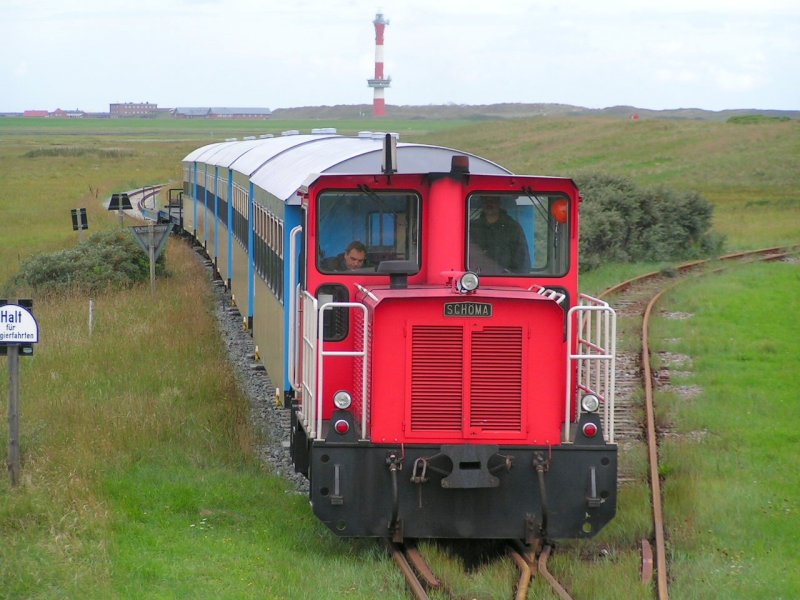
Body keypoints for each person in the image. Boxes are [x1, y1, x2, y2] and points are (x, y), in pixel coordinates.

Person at [469, 195, 530, 273]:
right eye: (486, 200)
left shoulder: (513, 228)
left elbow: (523, 264)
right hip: (474, 280)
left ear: (499, 202)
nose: (489, 203)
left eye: (493, 200)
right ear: (482, 202)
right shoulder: (471, 227)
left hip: (506, 280)